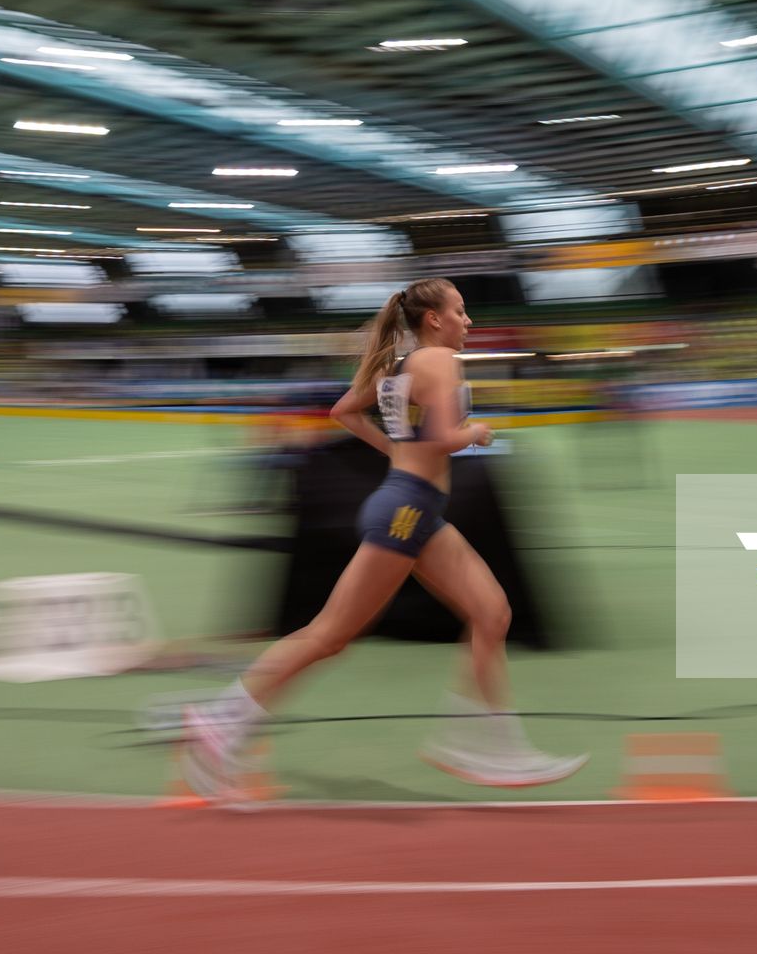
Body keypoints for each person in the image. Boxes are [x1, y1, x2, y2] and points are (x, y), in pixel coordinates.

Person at [179, 278, 585, 800]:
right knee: (328, 636)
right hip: (407, 513)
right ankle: (218, 725)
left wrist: (396, 451)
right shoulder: (437, 361)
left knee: (491, 613)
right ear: (433, 319)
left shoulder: (400, 366)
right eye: (460, 311)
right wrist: (477, 433)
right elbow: (440, 439)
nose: (469, 321)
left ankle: (482, 741)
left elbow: (344, 412)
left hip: (414, 507)